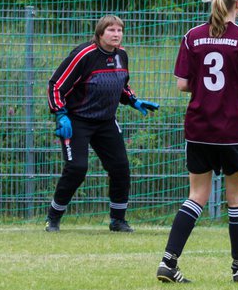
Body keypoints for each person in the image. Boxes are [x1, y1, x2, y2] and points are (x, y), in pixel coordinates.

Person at [157, 0, 238, 284]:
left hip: (199, 127)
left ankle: (168, 262)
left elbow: (182, 84)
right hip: (232, 129)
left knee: (196, 194)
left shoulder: (193, 36)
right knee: (237, 196)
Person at [45, 15, 159, 232]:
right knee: (77, 168)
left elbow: (121, 84)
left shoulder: (122, 55)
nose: (116, 34)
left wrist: (133, 99)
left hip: (106, 121)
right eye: (111, 30)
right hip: (77, 120)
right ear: (100, 34)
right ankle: (53, 218)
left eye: (119, 30)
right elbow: (55, 85)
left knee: (120, 167)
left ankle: (118, 220)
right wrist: (60, 114)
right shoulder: (84, 55)